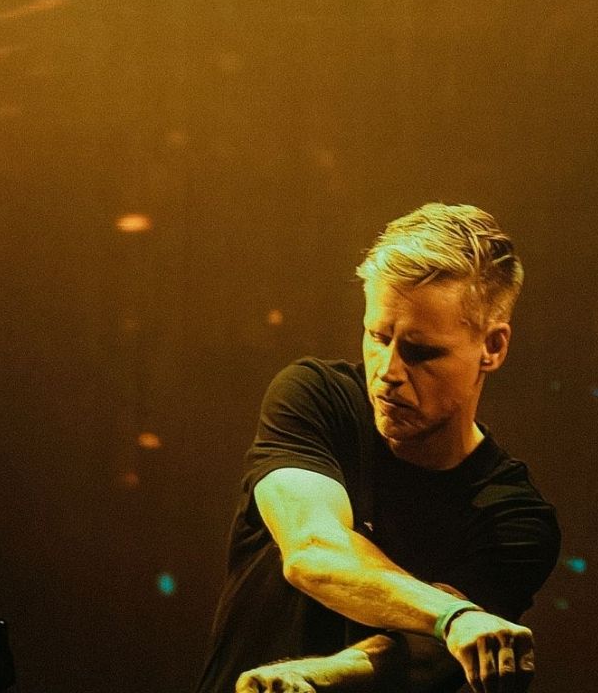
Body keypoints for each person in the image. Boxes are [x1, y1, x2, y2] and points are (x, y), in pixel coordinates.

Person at [194, 203, 560, 693]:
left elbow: (421, 658)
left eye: (421, 352)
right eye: (378, 336)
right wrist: (455, 616)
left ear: (492, 347)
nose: (387, 371)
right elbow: (312, 550)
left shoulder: (514, 518)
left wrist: (311, 678)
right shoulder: (317, 398)